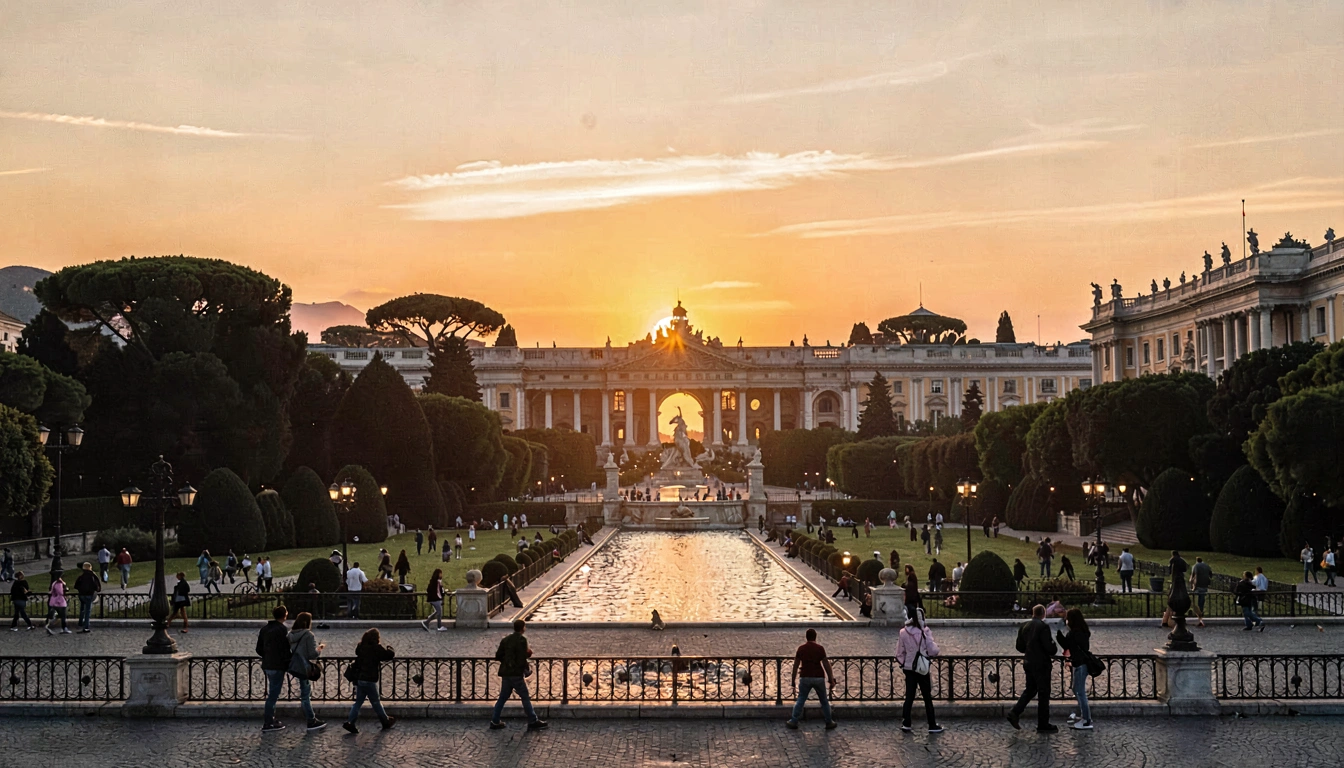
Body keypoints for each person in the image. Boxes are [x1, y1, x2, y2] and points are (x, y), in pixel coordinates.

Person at [1007, 604, 1058, 733]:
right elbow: (1050, 648)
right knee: (1043, 693)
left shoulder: (1024, 626)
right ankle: (1043, 723)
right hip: (1041, 664)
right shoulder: (1043, 627)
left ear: (1033, 613)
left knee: (1030, 689)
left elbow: (1019, 647)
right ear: (1043, 614)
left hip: (1028, 662)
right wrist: (1053, 646)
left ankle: (1015, 712)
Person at [489, 619, 547, 730]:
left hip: (506, 673)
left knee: (502, 698)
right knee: (525, 697)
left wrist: (507, 663)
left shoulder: (505, 640)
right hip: (516, 674)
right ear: (523, 628)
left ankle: (495, 720)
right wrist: (526, 661)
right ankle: (532, 720)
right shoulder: (522, 640)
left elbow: (498, 655)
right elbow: (522, 657)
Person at [895, 608, 942, 733]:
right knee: (927, 697)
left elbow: (899, 653)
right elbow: (933, 650)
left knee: (909, 696)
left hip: (909, 667)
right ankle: (932, 724)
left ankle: (906, 722)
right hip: (922, 667)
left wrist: (904, 663)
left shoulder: (903, 632)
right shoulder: (924, 631)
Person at [343, 628, 397, 733]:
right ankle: (385, 720)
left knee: (358, 702)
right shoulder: (376, 648)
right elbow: (388, 655)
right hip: (370, 679)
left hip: (360, 679)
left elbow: (357, 652)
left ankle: (350, 722)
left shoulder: (361, 646)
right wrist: (390, 647)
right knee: (376, 701)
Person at [785, 628, 837, 730]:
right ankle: (829, 721)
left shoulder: (801, 649)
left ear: (806, 637)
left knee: (801, 699)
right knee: (824, 701)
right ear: (815, 637)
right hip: (818, 677)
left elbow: (795, 666)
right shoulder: (820, 648)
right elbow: (826, 664)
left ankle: (794, 720)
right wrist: (831, 679)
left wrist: (793, 680)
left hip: (805, 676)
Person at [287, 612, 327, 731]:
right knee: (306, 695)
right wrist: (319, 649)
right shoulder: (309, 635)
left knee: (304, 693)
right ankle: (311, 720)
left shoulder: (290, 634)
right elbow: (312, 654)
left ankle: (311, 718)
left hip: (295, 665)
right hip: (305, 667)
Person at [1056, 609, 1094, 730]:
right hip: (1082, 663)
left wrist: (1058, 635)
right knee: (1076, 688)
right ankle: (1084, 715)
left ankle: (1086, 720)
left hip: (1080, 664)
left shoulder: (1074, 633)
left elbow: (1067, 645)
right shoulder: (1083, 631)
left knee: (1080, 691)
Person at [257, 605, 291, 732]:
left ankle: (271, 718)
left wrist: (267, 656)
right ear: (285, 615)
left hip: (267, 664)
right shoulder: (282, 630)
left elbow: (258, 648)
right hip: (277, 665)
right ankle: (268, 722)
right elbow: (285, 649)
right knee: (273, 695)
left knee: (273, 692)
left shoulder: (265, 629)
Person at [1161, 551, 1188, 629]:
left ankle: (1166, 621)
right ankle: (1169, 620)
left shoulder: (1172, 559)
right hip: (1180, 580)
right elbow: (1185, 568)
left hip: (1175, 579)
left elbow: (1170, 570)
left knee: (1171, 604)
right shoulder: (1182, 560)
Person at [74, 562, 101, 633]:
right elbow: (97, 586)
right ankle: (86, 626)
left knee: (82, 609)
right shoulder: (92, 576)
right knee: (87, 611)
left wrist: (80, 589)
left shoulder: (81, 576)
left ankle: (80, 622)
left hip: (82, 595)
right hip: (89, 595)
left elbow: (76, 585)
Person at [1190, 556, 1213, 628]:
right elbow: (1211, 574)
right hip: (1205, 584)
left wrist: (1192, 583)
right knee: (1202, 598)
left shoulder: (1195, 566)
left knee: (1193, 598)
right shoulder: (1206, 566)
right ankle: (1201, 610)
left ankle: (1196, 611)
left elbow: (1194, 575)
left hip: (1198, 584)